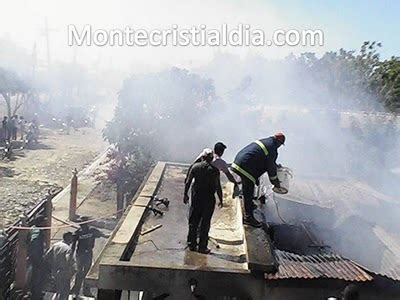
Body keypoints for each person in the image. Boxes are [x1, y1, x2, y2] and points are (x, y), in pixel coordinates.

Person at [232, 133, 285, 228]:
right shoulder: (273, 149)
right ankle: (248, 218)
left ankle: (249, 205)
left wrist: (275, 165)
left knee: (247, 186)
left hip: (239, 162)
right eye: (280, 145)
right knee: (249, 190)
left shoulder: (266, 142)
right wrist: (276, 184)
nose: (280, 146)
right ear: (279, 142)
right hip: (246, 167)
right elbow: (271, 170)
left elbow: (266, 160)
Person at [184, 151, 223, 254]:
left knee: (193, 222)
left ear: (203, 157)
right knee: (205, 224)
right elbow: (218, 186)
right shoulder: (215, 171)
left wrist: (185, 195)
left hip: (196, 199)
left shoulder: (195, 167)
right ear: (211, 159)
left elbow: (188, 181)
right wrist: (221, 199)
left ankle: (191, 244)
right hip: (209, 200)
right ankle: (202, 247)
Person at [71, 216, 109, 297]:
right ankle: (76, 291)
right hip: (80, 254)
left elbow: (104, 235)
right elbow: (73, 246)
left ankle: (86, 291)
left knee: (87, 273)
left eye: (83, 224)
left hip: (88, 254)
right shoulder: (77, 233)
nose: (82, 226)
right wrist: (71, 256)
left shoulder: (92, 230)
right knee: (79, 272)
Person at [45, 232, 76, 300]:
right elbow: (69, 261)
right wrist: (73, 271)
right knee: (64, 292)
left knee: (58, 289)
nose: (73, 239)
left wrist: (52, 266)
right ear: (68, 238)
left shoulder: (55, 245)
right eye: (71, 237)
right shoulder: (68, 249)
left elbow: (47, 256)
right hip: (64, 273)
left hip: (55, 271)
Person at [28, 214, 47, 300]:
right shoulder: (37, 231)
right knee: (38, 276)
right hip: (37, 258)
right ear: (41, 222)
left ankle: (36, 292)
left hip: (34, 257)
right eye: (44, 221)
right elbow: (34, 240)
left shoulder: (33, 228)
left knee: (36, 275)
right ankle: (36, 295)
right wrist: (37, 257)